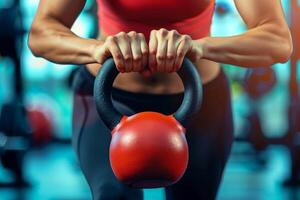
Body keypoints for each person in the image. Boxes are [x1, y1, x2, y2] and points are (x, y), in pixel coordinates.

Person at [28, 0, 292, 199]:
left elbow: (277, 40)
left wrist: (199, 46)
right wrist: (98, 49)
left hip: (199, 102)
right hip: (109, 101)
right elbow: (41, 33)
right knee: (113, 195)